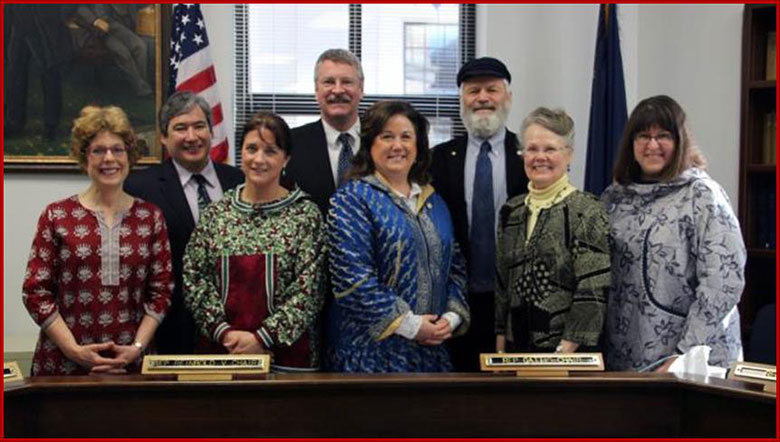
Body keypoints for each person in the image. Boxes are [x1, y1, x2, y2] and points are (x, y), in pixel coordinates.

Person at [22, 105, 173, 375]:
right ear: (84, 157)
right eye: (98, 150)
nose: (109, 158)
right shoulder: (57, 215)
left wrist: (136, 348)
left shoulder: (150, 218)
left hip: (131, 363)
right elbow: (36, 292)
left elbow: (162, 291)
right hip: (64, 364)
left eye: (117, 149)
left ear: (129, 154)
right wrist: (73, 350)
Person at [602, 95, 746, 372]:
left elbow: (723, 283)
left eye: (663, 136)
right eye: (643, 136)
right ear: (631, 144)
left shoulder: (702, 196)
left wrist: (684, 354)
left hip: (692, 360)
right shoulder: (613, 198)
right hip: (624, 357)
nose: (652, 145)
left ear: (680, 142)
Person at [327, 101, 470, 372]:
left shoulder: (434, 201)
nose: (398, 145)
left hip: (431, 355)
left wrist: (450, 318)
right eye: (387, 136)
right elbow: (352, 280)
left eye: (406, 137)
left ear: (418, 146)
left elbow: (457, 267)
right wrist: (411, 325)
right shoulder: (351, 200)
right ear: (370, 144)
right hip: (369, 358)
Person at [183, 112, 325, 371]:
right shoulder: (217, 214)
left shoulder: (305, 216)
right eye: (252, 149)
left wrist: (262, 339)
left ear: (286, 159)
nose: (259, 159)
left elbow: (310, 291)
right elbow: (194, 279)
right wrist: (224, 334)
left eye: (270, 151)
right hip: (222, 353)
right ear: (241, 154)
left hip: (287, 359)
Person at [124, 91, 244, 355]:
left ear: (212, 131)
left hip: (237, 330)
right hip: (171, 331)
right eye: (180, 128)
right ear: (164, 138)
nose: (192, 137)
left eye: (199, 126)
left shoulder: (240, 182)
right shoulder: (140, 188)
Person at [430, 57, 528, 371]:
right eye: (473, 91)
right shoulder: (438, 159)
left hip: (516, 303)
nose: (482, 98)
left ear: (508, 97)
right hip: (455, 302)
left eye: (492, 90)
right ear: (461, 99)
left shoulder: (529, 155)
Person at [495, 107, 610, 354]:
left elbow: (593, 290)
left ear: (568, 155)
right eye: (532, 149)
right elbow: (503, 288)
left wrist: (564, 354)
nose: (540, 157)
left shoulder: (587, 211)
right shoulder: (510, 212)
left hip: (568, 357)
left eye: (550, 149)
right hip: (516, 355)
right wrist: (501, 348)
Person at [287, 48, 364, 214]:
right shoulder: (291, 143)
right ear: (316, 90)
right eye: (328, 82)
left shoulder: (381, 140)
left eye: (347, 82)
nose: (337, 90)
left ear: (361, 88)